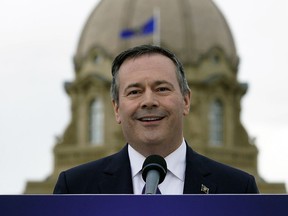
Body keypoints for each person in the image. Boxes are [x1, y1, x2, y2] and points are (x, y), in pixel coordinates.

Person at [53, 44, 259, 194]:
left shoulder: (238, 188)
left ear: (186, 101)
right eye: (134, 91)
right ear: (116, 108)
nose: (148, 101)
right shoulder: (75, 187)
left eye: (162, 89)